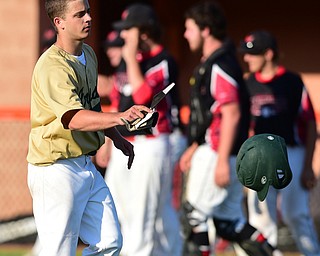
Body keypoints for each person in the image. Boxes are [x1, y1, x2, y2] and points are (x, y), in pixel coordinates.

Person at [26, 0, 151, 255]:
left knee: (110, 242)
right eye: (79, 14)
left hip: (84, 165)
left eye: (88, 11)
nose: (88, 18)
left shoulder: (89, 54)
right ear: (58, 22)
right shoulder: (52, 65)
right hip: (55, 168)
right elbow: (73, 118)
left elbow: (92, 107)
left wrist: (116, 137)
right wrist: (121, 117)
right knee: (59, 251)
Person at [179, 1, 277, 256]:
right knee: (227, 223)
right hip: (224, 151)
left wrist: (222, 159)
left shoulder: (220, 63)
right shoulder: (217, 61)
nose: (185, 34)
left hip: (218, 153)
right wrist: (193, 146)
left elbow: (231, 112)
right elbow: (210, 114)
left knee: (194, 216)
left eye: (189, 28)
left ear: (206, 29)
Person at [104, 3, 182, 256]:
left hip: (151, 143)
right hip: (124, 142)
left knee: (144, 215)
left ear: (144, 34)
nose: (123, 36)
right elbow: (117, 101)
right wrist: (108, 142)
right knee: (117, 208)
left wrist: (129, 58)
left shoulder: (163, 60)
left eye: (129, 30)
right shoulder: (129, 62)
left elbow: (143, 96)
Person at [239, 30, 320, 256]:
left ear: (268, 54)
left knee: (296, 214)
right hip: (259, 158)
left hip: (291, 153)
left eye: (252, 54)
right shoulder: (247, 84)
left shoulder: (292, 81)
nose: (246, 59)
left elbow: (311, 124)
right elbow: (244, 125)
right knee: (261, 219)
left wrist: (307, 166)